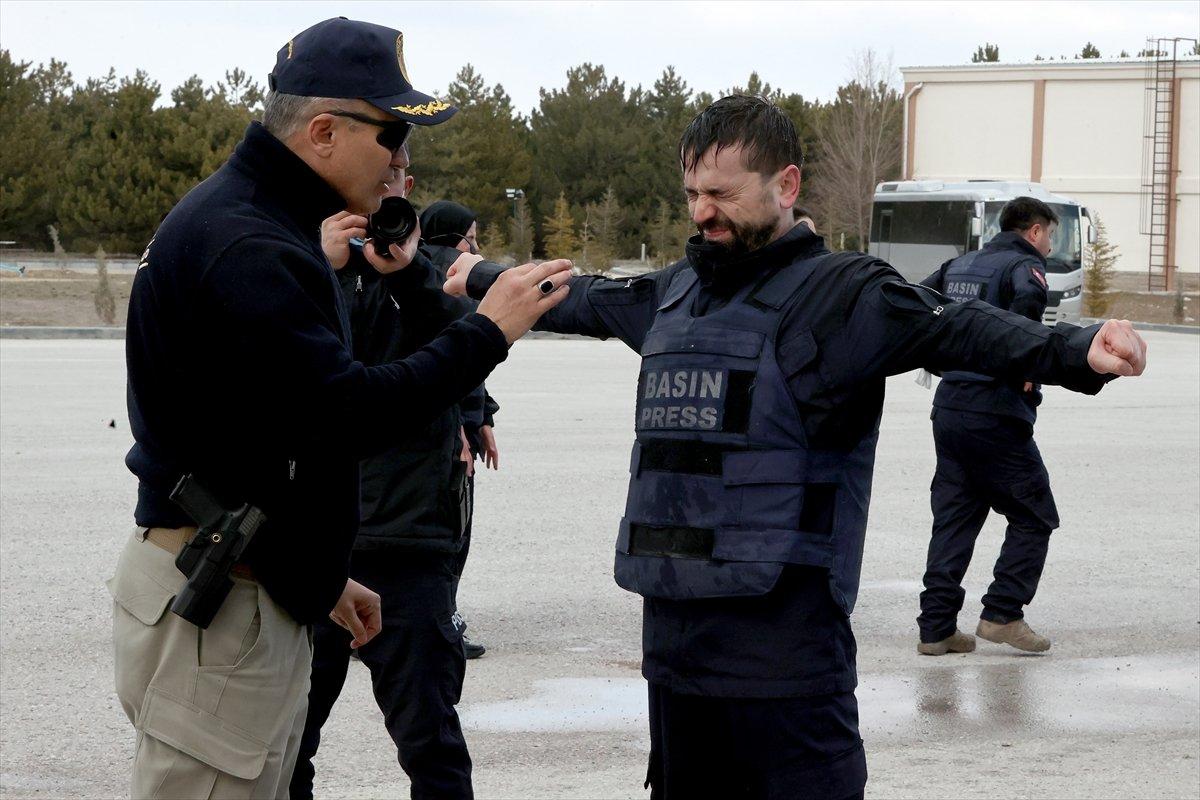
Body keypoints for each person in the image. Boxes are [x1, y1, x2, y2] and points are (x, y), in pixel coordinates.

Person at [445, 95, 1147, 799]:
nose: (701, 212)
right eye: (692, 193)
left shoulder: (845, 295)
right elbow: (577, 297)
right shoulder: (674, 292)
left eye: (721, 193)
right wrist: (474, 275)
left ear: (786, 186)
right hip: (674, 662)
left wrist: (1079, 348)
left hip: (786, 667)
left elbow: (960, 328)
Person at [109, 17, 570, 797]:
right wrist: (487, 332)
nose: (401, 162)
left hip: (254, 578)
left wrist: (314, 576)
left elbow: (263, 439)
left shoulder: (257, 222)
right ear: (324, 131)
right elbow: (345, 413)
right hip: (224, 597)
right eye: (392, 135)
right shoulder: (250, 244)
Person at [290, 158, 497, 800]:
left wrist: (407, 272)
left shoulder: (420, 276)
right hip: (318, 542)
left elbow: (466, 351)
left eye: (403, 176)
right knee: (285, 741)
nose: (392, 188)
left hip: (410, 541)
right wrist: (318, 268)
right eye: (386, 172)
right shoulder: (294, 263)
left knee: (431, 741)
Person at [915, 196, 1066, 655]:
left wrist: (938, 362)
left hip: (950, 409)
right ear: (1035, 232)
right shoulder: (1024, 267)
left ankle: (936, 628)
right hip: (995, 410)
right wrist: (1021, 366)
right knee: (1035, 514)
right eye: (1050, 236)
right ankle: (1003, 613)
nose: (1048, 245)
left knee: (956, 517)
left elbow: (916, 305)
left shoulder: (959, 265)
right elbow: (1028, 307)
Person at [420, 200, 500, 660]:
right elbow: (463, 361)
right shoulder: (455, 275)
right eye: (471, 235)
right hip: (445, 432)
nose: (476, 244)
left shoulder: (394, 268)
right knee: (451, 531)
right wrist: (471, 425)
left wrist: (482, 413)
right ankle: (443, 620)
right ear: (454, 239)